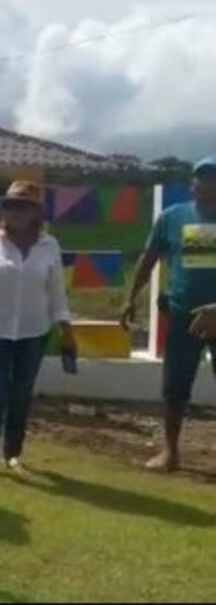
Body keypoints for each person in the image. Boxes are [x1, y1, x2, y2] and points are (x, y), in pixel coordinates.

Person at [0, 181, 75, 478]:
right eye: (11, 206)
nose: (16, 212)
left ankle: (13, 454)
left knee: (21, 393)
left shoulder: (50, 246)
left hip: (34, 332)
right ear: (2, 211)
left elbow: (57, 291)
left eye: (24, 206)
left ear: (36, 213)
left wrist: (66, 329)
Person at [121, 155, 216, 473]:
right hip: (182, 316)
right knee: (175, 388)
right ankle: (170, 452)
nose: (210, 183)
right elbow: (149, 260)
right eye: (204, 177)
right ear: (193, 183)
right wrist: (131, 298)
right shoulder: (173, 217)